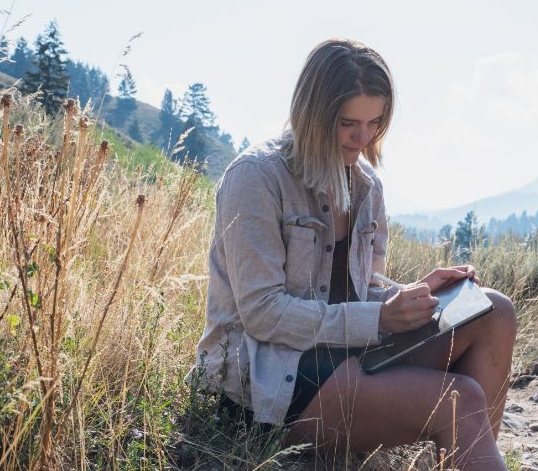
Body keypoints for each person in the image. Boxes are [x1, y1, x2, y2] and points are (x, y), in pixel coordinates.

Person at [194, 39, 517, 470]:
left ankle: (466, 456)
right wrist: (381, 319)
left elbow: (358, 293)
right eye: (348, 123)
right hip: (271, 379)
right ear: (312, 115)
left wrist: (412, 297)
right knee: (459, 400)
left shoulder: (367, 185)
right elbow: (262, 314)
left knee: (494, 311)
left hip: (342, 358)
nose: (363, 138)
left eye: (375, 122)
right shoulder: (255, 179)